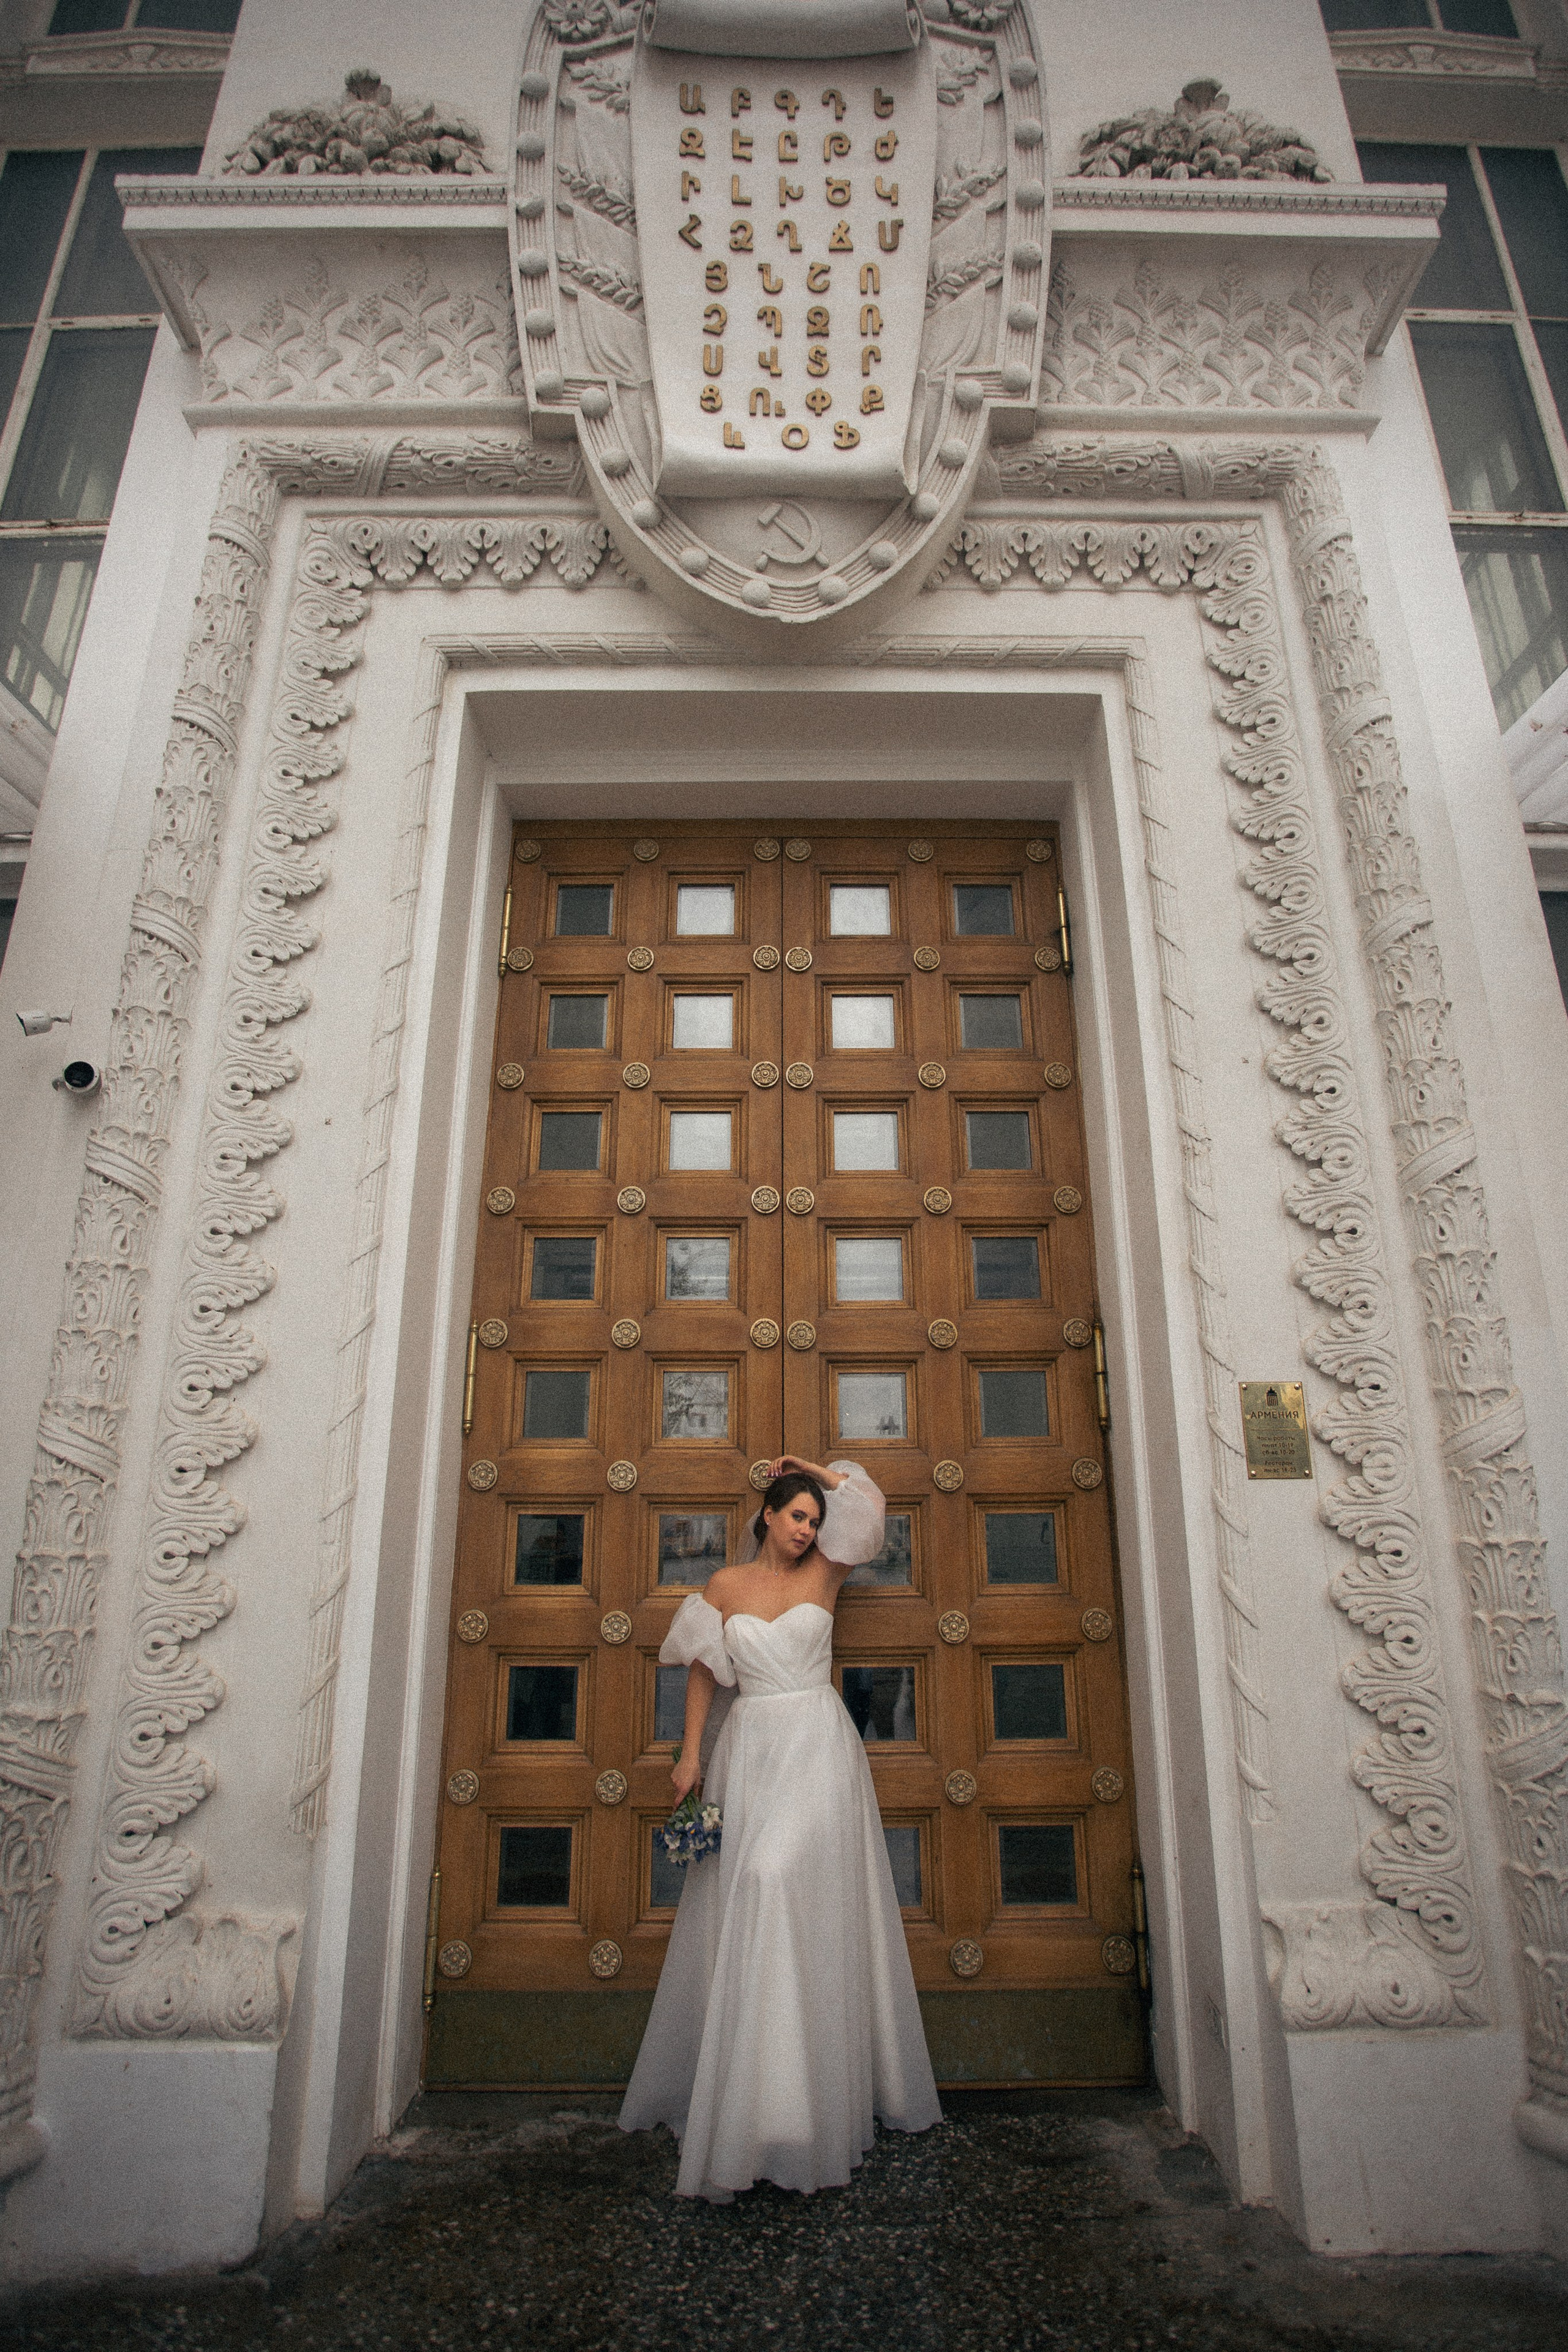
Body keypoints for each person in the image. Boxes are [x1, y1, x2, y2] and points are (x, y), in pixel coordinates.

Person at [619, 1455, 942, 2200]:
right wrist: (690, 1755)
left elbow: (867, 1505)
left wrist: (809, 1469)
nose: (807, 1530)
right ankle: (765, 2108)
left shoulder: (826, 1574)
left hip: (818, 1747)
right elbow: (702, 1669)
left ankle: (802, 2100)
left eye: (812, 1521)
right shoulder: (724, 1587)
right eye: (796, 1515)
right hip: (752, 1750)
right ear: (766, 1516)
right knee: (758, 1894)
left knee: (772, 1881)